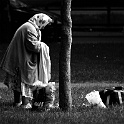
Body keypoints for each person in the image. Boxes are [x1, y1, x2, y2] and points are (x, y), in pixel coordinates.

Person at [0, 13, 53, 109]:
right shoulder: (30, 28)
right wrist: (44, 46)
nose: (44, 27)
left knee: (18, 81)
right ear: (41, 21)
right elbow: (32, 46)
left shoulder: (30, 26)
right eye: (45, 24)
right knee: (25, 80)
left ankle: (17, 102)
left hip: (19, 56)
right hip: (20, 58)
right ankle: (25, 104)